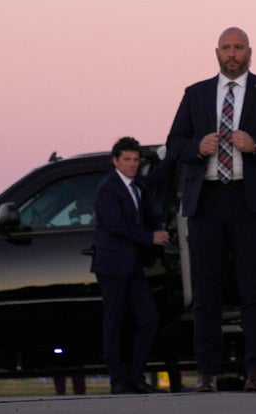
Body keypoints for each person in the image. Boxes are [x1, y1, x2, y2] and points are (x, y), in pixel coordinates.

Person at [163, 27, 256, 393]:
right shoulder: (195, 94)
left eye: (239, 47)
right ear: (217, 52)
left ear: (249, 52)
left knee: (254, 289)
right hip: (206, 201)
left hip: (250, 202)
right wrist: (197, 147)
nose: (232, 54)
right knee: (206, 291)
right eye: (226, 48)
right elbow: (173, 144)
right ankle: (207, 372)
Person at [91, 136, 171, 395]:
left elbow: (155, 180)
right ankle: (118, 380)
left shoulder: (137, 184)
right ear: (115, 161)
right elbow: (115, 225)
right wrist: (150, 237)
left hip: (133, 265)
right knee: (114, 323)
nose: (132, 164)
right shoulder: (109, 187)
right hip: (112, 266)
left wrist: (173, 156)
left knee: (149, 318)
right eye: (127, 159)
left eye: (135, 160)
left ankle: (136, 376)